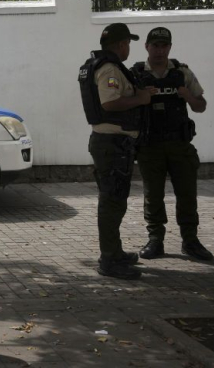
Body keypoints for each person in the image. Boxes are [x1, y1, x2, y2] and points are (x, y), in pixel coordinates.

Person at [79, 23, 155, 280]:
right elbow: (109, 103)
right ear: (121, 44)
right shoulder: (109, 69)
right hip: (112, 144)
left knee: (115, 200)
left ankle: (115, 251)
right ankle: (109, 260)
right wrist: (141, 99)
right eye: (128, 44)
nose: (129, 48)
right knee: (112, 202)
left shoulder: (102, 65)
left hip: (113, 143)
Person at [131, 27, 213, 261]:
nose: (159, 50)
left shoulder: (182, 73)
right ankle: (155, 240)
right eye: (155, 45)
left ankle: (190, 241)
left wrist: (187, 95)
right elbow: (123, 105)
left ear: (169, 47)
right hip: (150, 145)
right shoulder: (136, 74)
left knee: (187, 194)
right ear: (146, 46)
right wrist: (140, 96)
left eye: (164, 45)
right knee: (153, 195)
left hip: (179, 144)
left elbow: (201, 105)